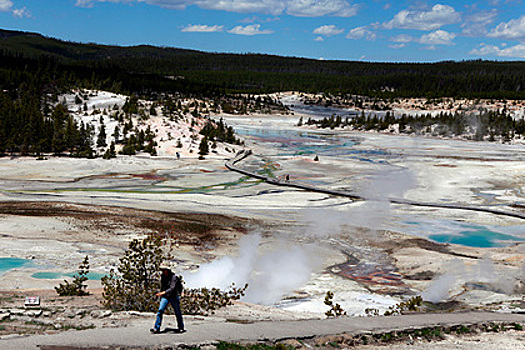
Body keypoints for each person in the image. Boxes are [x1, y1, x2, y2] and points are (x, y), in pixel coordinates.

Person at [150, 263, 184, 334]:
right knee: (160, 310)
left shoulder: (173, 277)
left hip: (173, 296)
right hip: (165, 296)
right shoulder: (163, 276)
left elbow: (172, 288)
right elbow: (162, 286)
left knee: (177, 312)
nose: (162, 271)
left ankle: (181, 327)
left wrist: (162, 293)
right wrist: (162, 294)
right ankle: (156, 328)